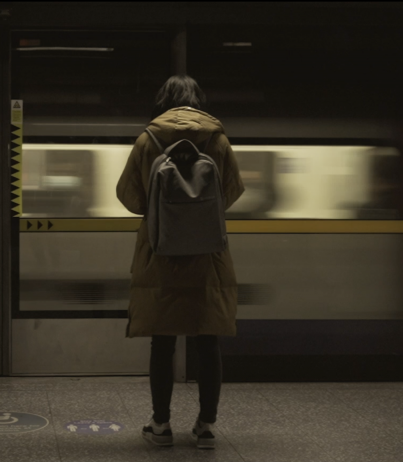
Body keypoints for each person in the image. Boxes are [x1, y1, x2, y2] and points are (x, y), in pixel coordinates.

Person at [116, 75, 245, 450]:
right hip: (208, 256)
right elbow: (232, 190)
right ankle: (205, 426)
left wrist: (162, 212)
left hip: (161, 254)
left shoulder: (147, 141)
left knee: (163, 340)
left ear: (164, 103)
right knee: (208, 341)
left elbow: (128, 196)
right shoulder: (218, 141)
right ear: (198, 102)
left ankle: (161, 425)